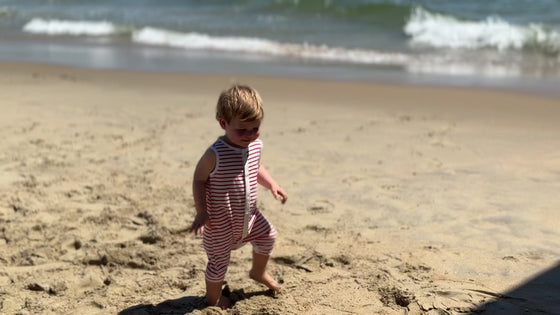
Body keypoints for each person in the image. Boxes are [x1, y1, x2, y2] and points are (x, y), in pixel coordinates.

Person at [190, 85, 288, 308]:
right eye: (242, 130)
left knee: (269, 236)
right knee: (218, 263)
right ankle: (212, 300)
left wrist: (272, 183)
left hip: (249, 217)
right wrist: (202, 212)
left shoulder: (255, 145)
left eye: (255, 128)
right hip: (220, 222)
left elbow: (256, 167)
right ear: (224, 123)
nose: (249, 135)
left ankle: (257, 272)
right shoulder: (214, 153)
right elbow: (198, 179)